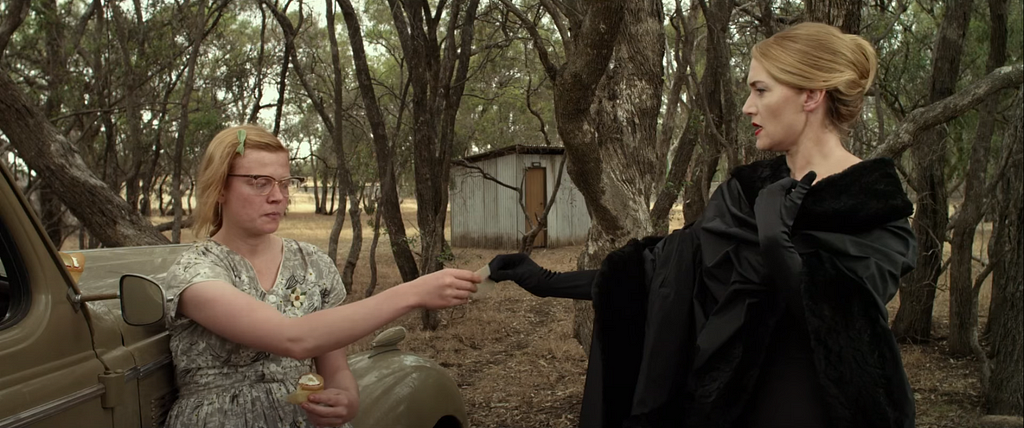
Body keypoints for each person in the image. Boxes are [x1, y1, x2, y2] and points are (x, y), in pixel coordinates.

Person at [487, 22, 917, 428]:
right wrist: (545, 280)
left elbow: (853, 331)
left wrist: (777, 246)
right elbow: (662, 272)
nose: (748, 106)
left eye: (761, 90)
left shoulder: (873, 205)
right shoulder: (744, 194)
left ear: (810, 95)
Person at [162, 124, 481, 428]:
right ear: (219, 188)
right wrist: (412, 293)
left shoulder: (313, 265)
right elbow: (294, 338)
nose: (278, 196)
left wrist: (346, 399)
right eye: (260, 182)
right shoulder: (196, 272)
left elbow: (335, 369)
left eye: (285, 183)